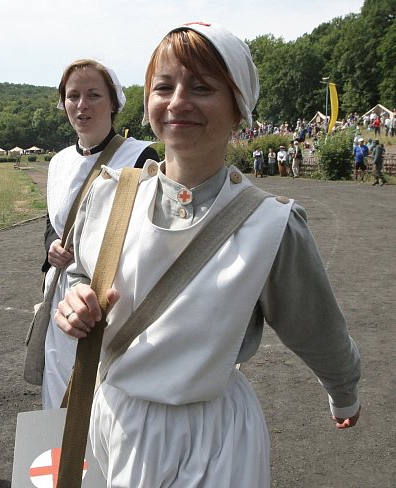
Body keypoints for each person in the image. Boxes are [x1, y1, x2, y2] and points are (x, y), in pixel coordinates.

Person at [54, 22, 361, 487]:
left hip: (210, 437)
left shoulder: (270, 224)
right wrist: (75, 300)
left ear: (239, 109)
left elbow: (318, 328)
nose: (178, 101)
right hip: (113, 419)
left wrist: (344, 393)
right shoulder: (111, 196)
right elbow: (80, 271)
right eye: (164, 86)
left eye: (201, 87)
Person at [41, 59, 160, 409]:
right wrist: (52, 246)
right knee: (60, 388)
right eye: (73, 95)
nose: (82, 105)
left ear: (114, 103)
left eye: (94, 94)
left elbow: (148, 233)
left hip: (112, 297)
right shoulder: (58, 162)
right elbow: (53, 221)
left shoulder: (139, 156)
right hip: (64, 297)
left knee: (106, 396)